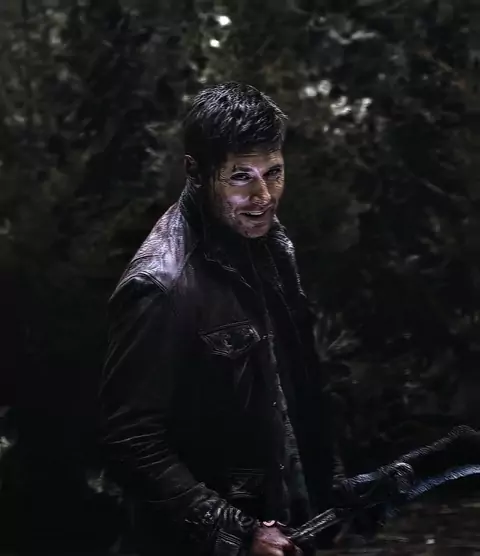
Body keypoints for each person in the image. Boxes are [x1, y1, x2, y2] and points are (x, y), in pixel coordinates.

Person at [99, 82, 339, 556]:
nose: (263, 196)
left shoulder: (270, 246)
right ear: (196, 172)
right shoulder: (161, 284)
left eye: (274, 173)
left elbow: (292, 384)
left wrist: (326, 486)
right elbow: (129, 439)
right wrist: (238, 533)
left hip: (284, 524)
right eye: (240, 177)